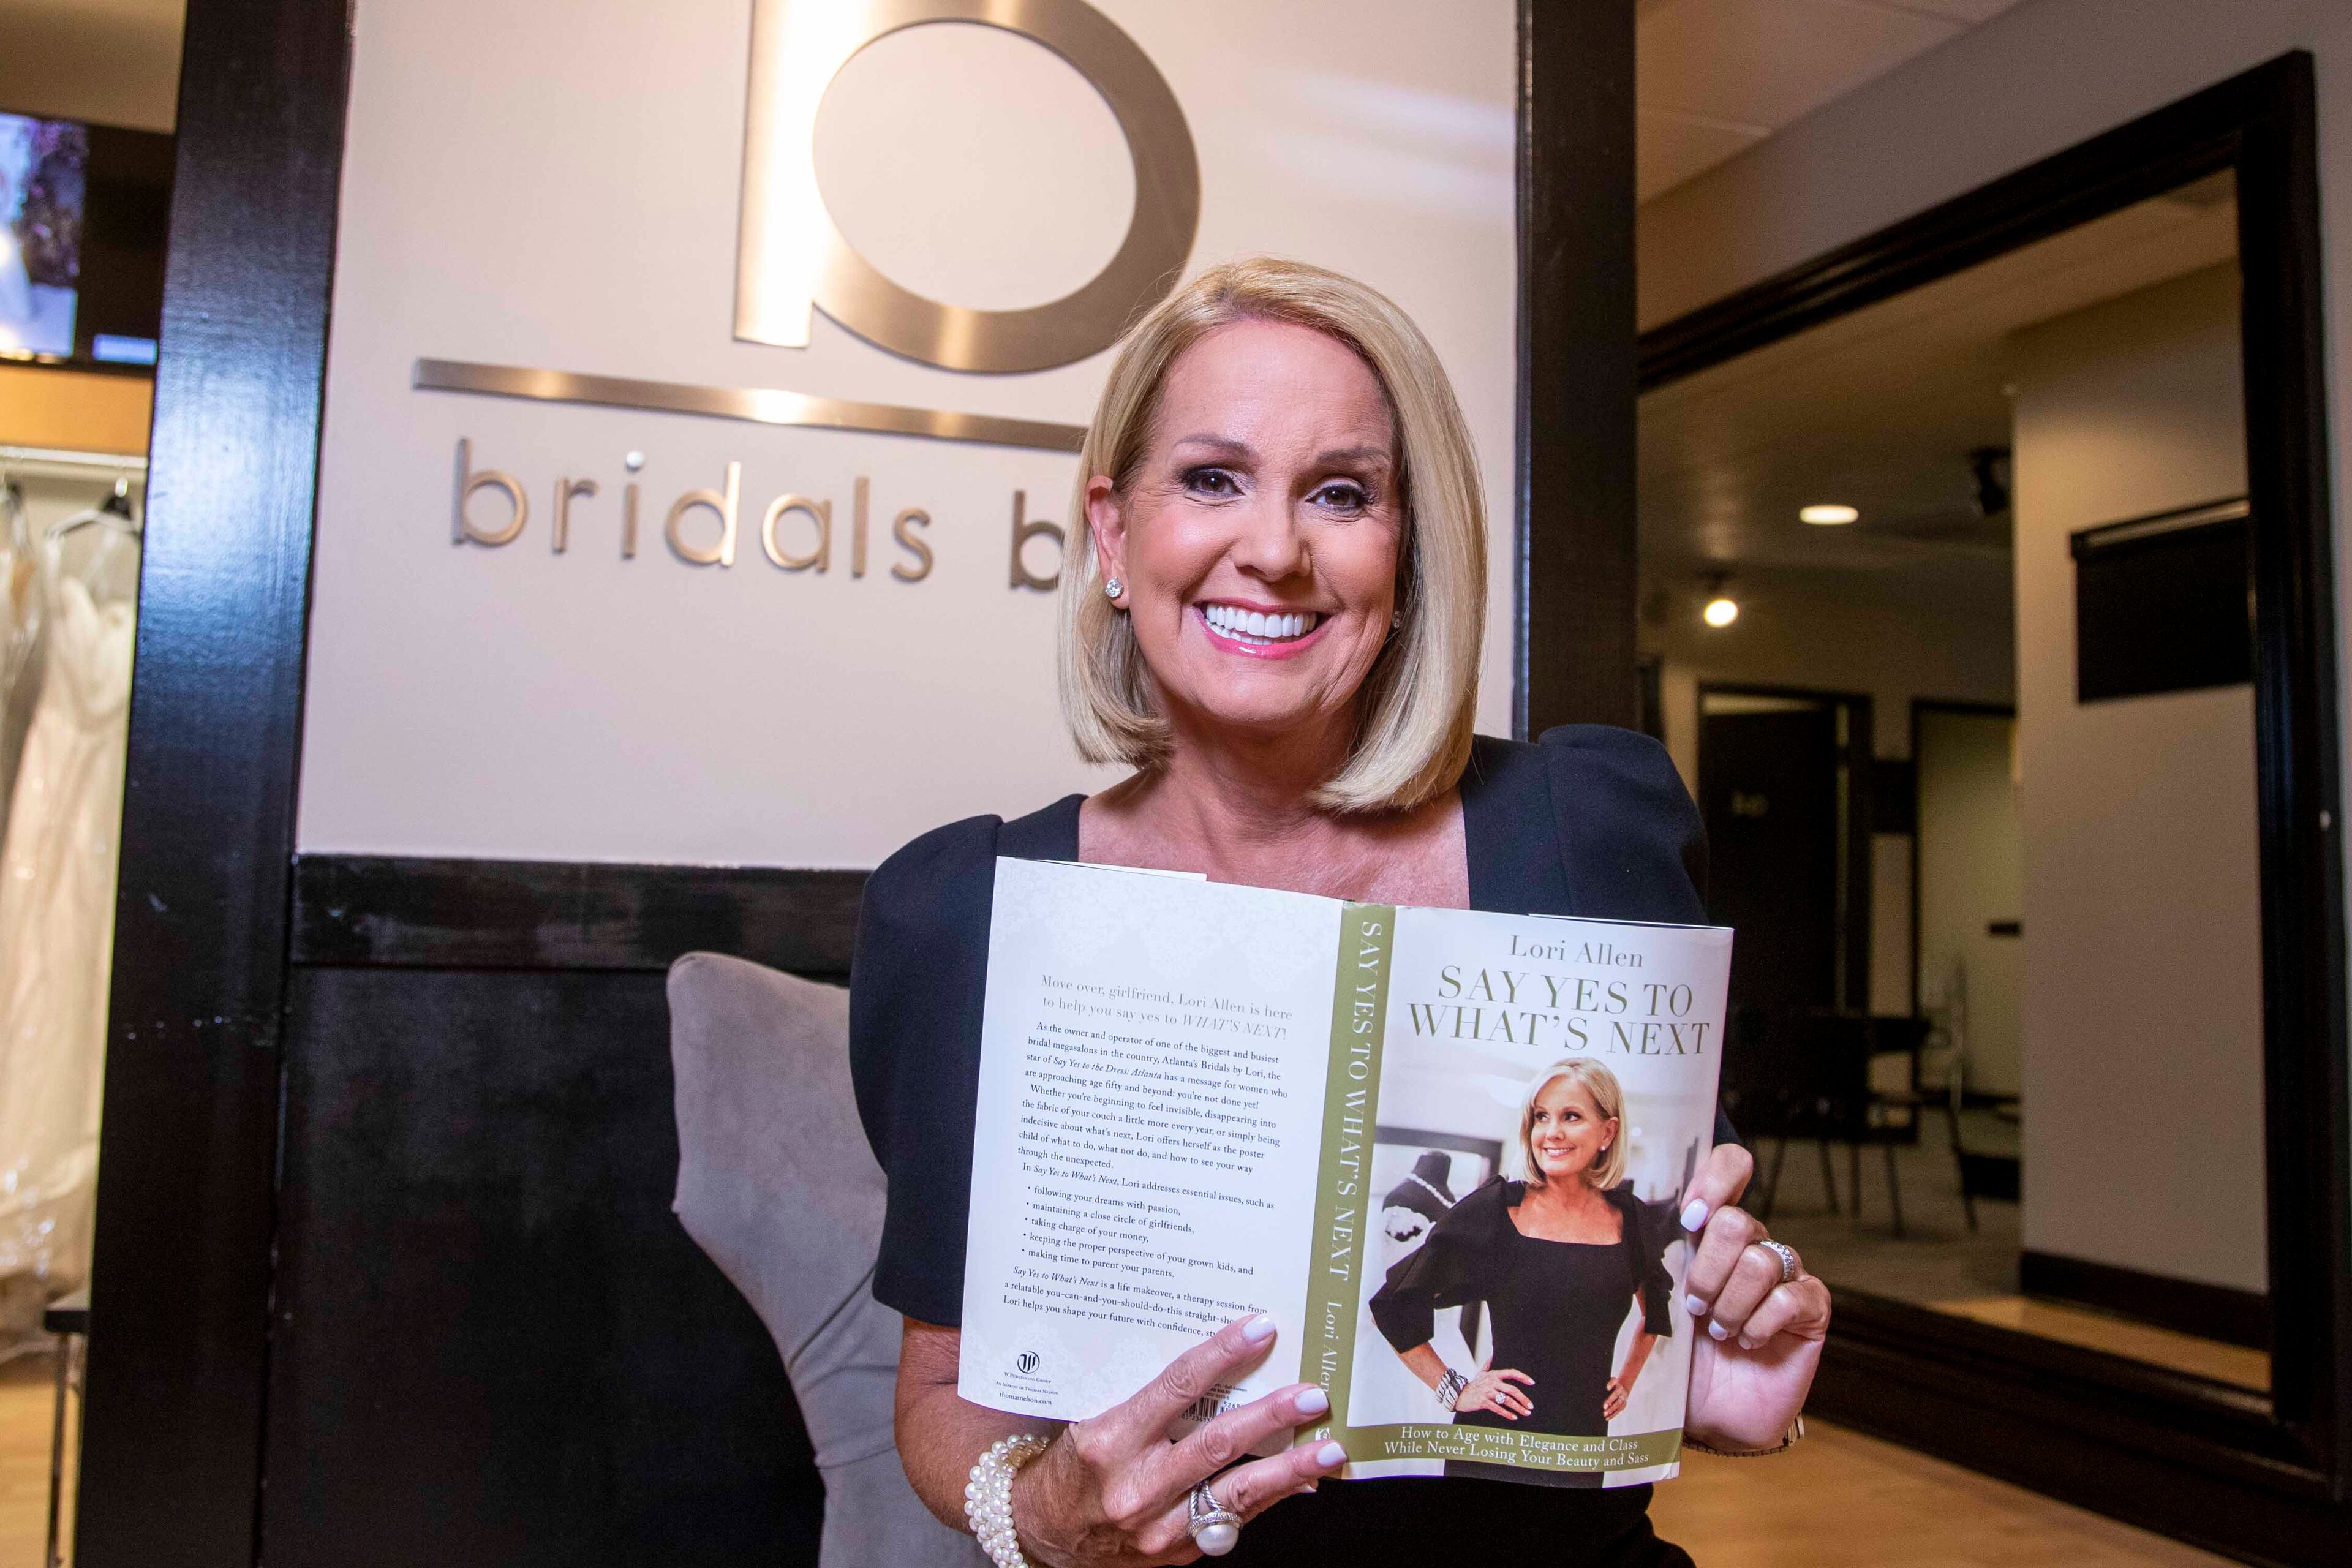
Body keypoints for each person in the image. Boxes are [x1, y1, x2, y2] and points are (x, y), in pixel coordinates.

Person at [849, 256, 1833, 1568]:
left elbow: (1680, 1282)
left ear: (1405, 551)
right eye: (1212, 478)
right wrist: (1037, 1517)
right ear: (1115, 536)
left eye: (1341, 492)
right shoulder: (970, 913)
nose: (1274, 549)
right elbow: (943, 1388)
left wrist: (1723, 1365)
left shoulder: (1583, 836)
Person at [1371, 1060, 1682, 1486]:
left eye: (1571, 1116)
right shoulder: (1496, 1209)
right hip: (1493, 1443)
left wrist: (1626, 1381)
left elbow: (1655, 1313)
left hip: (1581, 1444)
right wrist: (1454, 1389)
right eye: (1541, 1116)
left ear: (1608, 1133)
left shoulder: (1631, 1221)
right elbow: (1393, 1303)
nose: (1551, 1132)